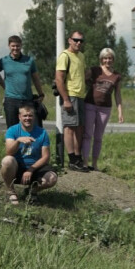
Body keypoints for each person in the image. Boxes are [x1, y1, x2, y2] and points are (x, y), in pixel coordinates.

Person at [0, 104, 57, 205]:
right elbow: (8, 152)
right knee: (7, 161)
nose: (27, 118)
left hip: (34, 167)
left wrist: (31, 169)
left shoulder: (42, 132)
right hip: (17, 167)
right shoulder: (12, 130)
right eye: (25, 116)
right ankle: (11, 191)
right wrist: (18, 141)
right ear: (19, 117)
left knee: (52, 178)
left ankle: (32, 191)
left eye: (30, 115)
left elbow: (46, 157)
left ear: (34, 117)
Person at [82, 48, 125, 171]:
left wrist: (120, 112)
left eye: (110, 58)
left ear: (113, 59)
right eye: (105, 58)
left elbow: (117, 94)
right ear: (101, 59)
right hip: (90, 105)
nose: (107, 60)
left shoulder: (117, 76)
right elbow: (82, 80)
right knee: (87, 134)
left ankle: (94, 164)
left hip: (105, 108)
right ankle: (85, 162)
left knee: (98, 137)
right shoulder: (95, 70)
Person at [55, 31, 87, 172]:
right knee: (69, 127)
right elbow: (59, 79)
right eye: (76, 40)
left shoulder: (81, 56)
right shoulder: (65, 56)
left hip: (80, 95)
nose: (78, 43)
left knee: (80, 127)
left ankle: (78, 158)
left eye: (81, 40)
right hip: (70, 95)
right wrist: (66, 99)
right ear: (70, 40)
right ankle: (72, 159)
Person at [0, 35, 45, 128]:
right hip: (11, 100)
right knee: (12, 129)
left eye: (17, 46)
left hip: (27, 99)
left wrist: (41, 94)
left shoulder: (29, 60)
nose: (15, 48)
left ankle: (29, 143)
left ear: (21, 46)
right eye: (13, 46)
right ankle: (13, 143)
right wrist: (3, 84)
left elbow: (36, 78)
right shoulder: (3, 61)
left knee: (30, 128)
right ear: (9, 46)